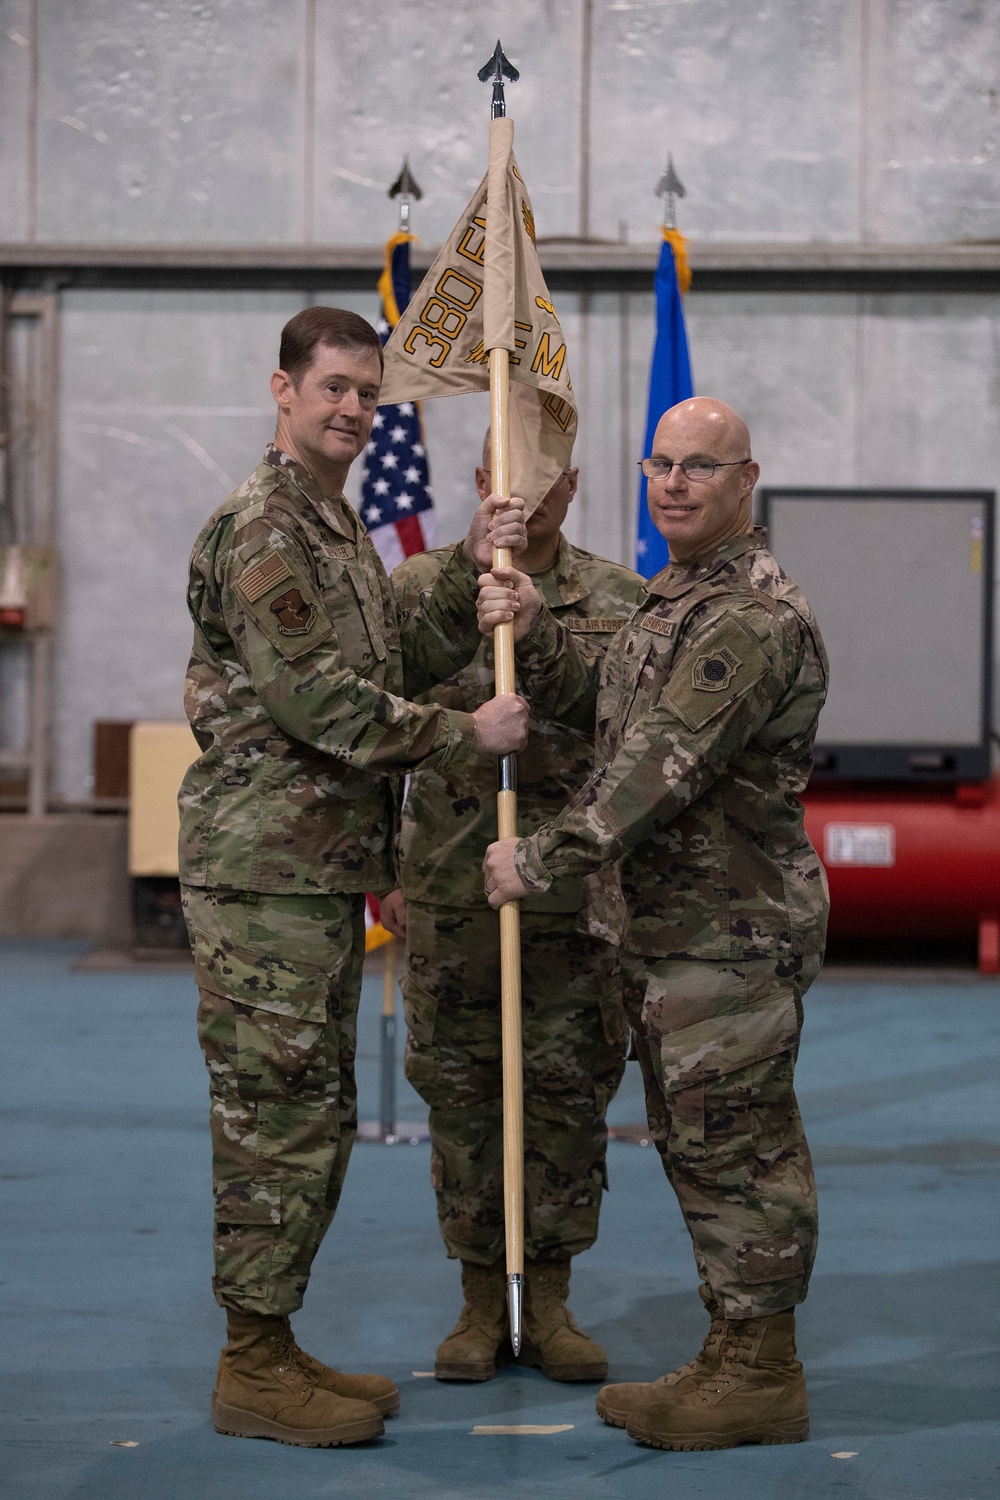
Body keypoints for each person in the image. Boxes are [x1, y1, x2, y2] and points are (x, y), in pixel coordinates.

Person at [179, 307, 529, 1448]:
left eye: (368, 395)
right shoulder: (264, 530)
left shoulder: (333, 526)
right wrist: (460, 737)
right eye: (331, 387)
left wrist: (470, 574)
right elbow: (316, 703)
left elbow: (374, 655)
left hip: (314, 873)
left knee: (313, 1113)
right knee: (276, 1118)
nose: (352, 410)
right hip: (264, 877)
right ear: (280, 389)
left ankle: (272, 1345)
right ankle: (251, 1364)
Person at [480, 397, 829, 1451]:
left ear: (745, 479)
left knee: (740, 1150)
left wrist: (535, 859)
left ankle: (763, 1371)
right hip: (671, 931)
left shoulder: (750, 617)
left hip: (728, 933)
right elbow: (615, 707)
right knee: (696, 1146)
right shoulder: (678, 596)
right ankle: (733, 1350)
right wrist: (538, 640)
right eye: (660, 465)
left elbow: (656, 768)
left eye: (700, 467)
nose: (674, 483)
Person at [380, 434, 645, 1384]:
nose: (523, 499)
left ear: (573, 486)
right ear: (481, 480)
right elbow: (373, 722)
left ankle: (556, 1298)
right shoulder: (419, 592)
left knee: (569, 1095)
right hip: (450, 894)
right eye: (506, 479)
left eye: (544, 481)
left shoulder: (619, 600)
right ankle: (481, 1301)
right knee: (462, 1099)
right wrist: (387, 868)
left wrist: (542, 634)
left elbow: (630, 731)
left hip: (571, 900)